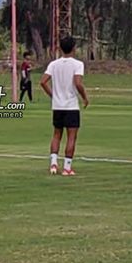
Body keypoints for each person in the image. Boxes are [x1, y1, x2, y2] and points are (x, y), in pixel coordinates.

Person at [40, 36, 89, 176]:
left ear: (60, 48)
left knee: (56, 134)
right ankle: (67, 167)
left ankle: (53, 164)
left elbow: (43, 82)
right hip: (71, 106)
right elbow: (78, 83)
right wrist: (84, 97)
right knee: (71, 137)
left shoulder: (53, 64)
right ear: (74, 48)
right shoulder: (78, 64)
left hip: (57, 106)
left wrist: (53, 95)